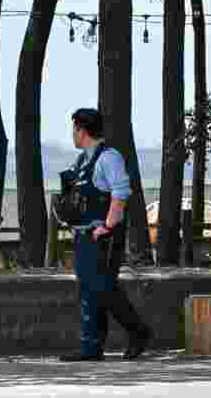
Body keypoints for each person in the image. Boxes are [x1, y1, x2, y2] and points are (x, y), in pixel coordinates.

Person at [56, 108, 152, 361]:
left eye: (74, 129)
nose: (72, 134)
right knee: (88, 291)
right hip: (84, 234)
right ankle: (91, 347)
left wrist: (108, 227)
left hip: (103, 235)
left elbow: (121, 192)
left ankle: (138, 331)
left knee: (104, 288)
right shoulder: (82, 161)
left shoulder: (109, 157)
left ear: (82, 130)